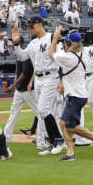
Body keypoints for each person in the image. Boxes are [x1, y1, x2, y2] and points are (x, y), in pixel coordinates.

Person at [49, 29, 93, 161]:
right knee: (63, 123)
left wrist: (55, 39)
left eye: (65, 43)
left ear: (69, 44)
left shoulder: (68, 57)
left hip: (75, 96)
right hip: (79, 94)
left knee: (69, 125)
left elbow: (51, 54)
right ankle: (70, 153)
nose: (63, 45)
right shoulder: (83, 53)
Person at [12, 16, 65, 156]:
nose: (30, 28)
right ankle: (54, 142)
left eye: (32, 26)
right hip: (39, 78)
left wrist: (61, 80)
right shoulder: (33, 42)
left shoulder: (51, 38)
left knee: (43, 109)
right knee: (45, 112)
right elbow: (22, 56)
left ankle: (58, 141)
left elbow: (61, 59)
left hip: (51, 76)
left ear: (40, 25)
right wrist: (16, 44)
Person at [3, 37, 42, 147]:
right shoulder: (18, 56)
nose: (12, 45)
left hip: (28, 90)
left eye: (14, 43)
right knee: (13, 113)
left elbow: (24, 74)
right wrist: (15, 85)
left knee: (40, 113)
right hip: (20, 90)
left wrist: (13, 86)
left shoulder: (27, 56)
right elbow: (19, 73)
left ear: (20, 43)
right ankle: (7, 137)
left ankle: (47, 135)